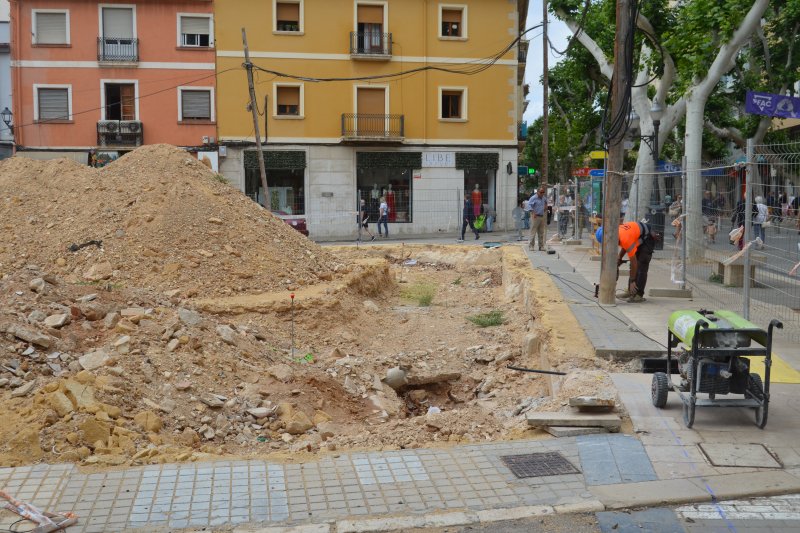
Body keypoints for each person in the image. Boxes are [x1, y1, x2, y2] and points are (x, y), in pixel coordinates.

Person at [596, 222, 662, 303]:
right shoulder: (616, 233)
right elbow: (626, 246)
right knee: (633, 266)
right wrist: (620, 257)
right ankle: (630, 292)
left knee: (641, 265)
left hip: (647, 237)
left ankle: (638, 295)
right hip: (638, 235)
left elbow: (633, 260)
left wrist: (632, 280)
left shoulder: (623, 237)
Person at [528, 186, 547, 251]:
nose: (542, 194)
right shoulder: (533, 198)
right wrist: (533, 212)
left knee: (541, 232)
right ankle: (531, 246)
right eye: (541, 192)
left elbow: (546, 202)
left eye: (543, 192)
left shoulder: (543, 198)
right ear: (537, 192)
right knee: (533, 231)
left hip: (541, 216)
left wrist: (545, 206)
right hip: (535, 216)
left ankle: (541, 246)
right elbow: (529, 205)